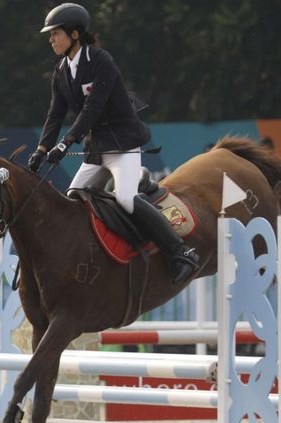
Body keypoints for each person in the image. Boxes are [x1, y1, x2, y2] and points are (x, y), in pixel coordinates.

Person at [27, 2, 198, 284]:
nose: (51, 39)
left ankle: (181, 253)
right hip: (97, 150)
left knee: (125, 198)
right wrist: (42, 149)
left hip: (123, 144)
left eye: (55, 33)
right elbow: (55, 114)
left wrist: (67, 142)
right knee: (73, 197)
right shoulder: (61, 71)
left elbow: (92, 109)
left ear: (74, 34)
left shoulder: (101, 61)